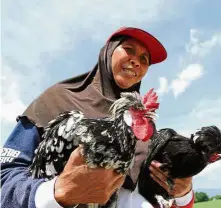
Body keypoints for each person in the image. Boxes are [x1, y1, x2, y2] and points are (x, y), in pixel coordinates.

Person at [1, 26, 195, 208]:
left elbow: (152, 195)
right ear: (108, 52)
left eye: (144, 59)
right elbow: (5, 178)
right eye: (129, 49)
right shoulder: (57, 99)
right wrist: (55, 193)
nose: (136, 60)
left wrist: (183, 193)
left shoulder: (142, 124)